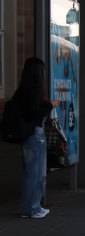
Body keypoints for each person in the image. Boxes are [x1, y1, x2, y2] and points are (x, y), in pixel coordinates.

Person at [14, 57, 60, 218]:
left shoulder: (21, 90)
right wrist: (50, 105)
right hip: (35, 134)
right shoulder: (34, 90)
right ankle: (33, 208)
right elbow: (34, 114)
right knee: (37, 173)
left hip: (26, 135)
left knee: (29, 172)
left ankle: (28, 208)